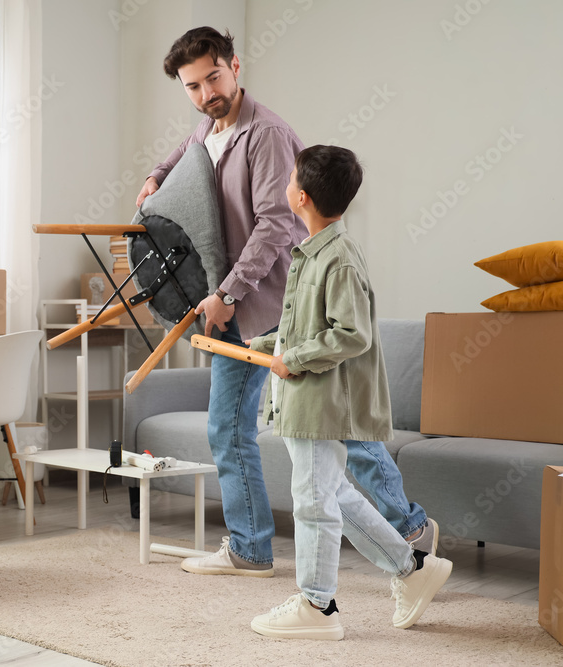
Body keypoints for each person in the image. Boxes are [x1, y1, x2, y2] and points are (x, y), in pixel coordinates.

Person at [136, 27, 436, 577]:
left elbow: (276, 225)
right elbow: (184, 151)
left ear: (235, 66)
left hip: (276, 306)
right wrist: (157, 176)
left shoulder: (268, 135)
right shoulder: (208, 127)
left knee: (339, 431)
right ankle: (249, 548)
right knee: (227, 428)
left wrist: (227, 293)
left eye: (213, 78)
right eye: (193, 86)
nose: (206, 94)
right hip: (229, 303)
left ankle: (413, 528)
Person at [248, 146, 452, 639]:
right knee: (332, 494)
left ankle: (317, 607)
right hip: (305, 399)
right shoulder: (313, 251)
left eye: (290, 178)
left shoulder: (337, 258)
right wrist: (269, 345)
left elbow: (351, 334)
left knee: (313, 502)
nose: (286, 184)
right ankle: (411, 568)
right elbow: (309, 326)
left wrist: (294, 359)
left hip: (321, 403)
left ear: (301, 196)